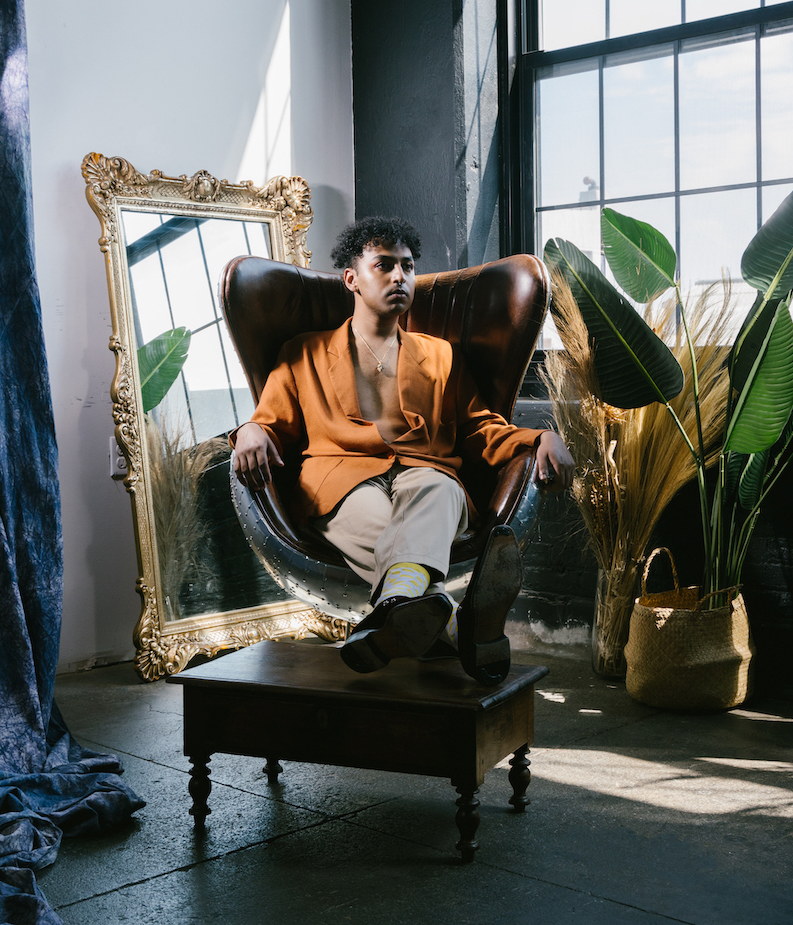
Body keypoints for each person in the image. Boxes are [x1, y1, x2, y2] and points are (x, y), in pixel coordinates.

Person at [232, 216, 574, 684]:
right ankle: (455, 623)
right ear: (351, 279)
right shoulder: (303, 353)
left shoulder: (440, 356)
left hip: (428, 477)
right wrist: (251, 431)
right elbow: (270, 423)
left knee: (437, 488)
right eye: (384, 265)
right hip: (343, 486)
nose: (399, 277)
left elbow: (480, 429)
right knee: (376, 517)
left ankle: (405, 609)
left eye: (408, 267)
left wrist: (540, 437)